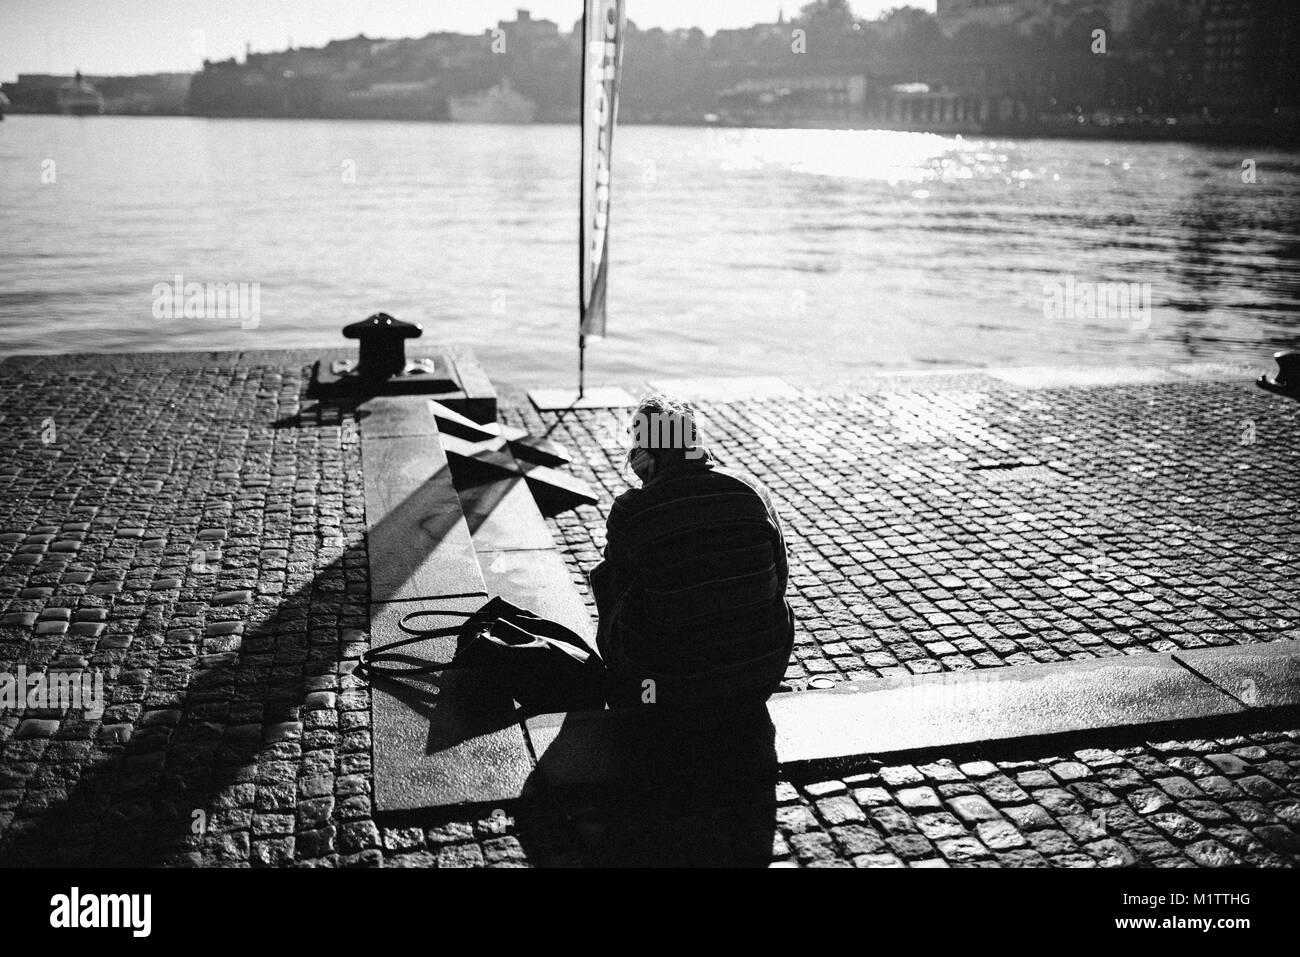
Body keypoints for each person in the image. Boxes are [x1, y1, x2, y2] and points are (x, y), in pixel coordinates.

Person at [590, 393, 794, 715]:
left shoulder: (631, 509)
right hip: (761, 674)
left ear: (644, 452)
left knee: (609, 576)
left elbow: (624, 576)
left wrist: (650, 489)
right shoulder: (751, 489)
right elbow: (780, 575)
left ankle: (635, 693)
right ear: (694, 439)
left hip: (667, 687)